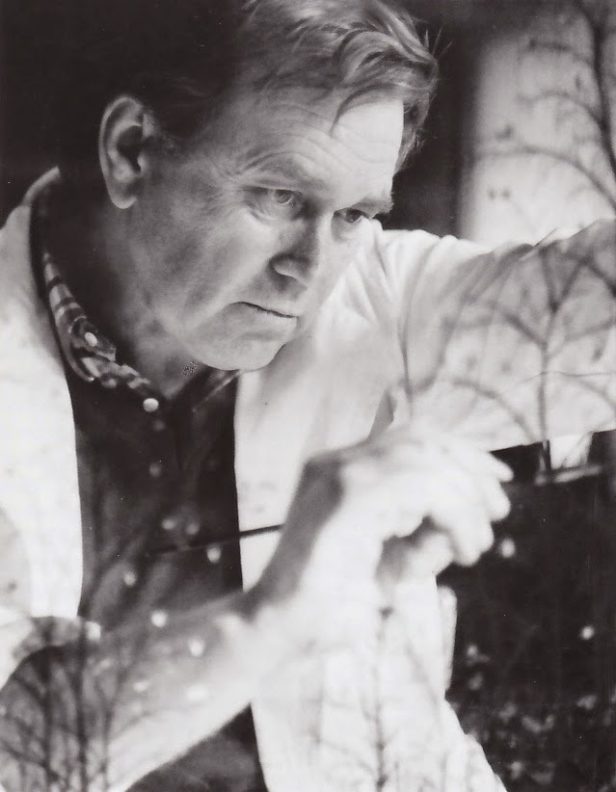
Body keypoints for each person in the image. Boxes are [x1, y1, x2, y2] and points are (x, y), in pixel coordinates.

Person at [0, 1, 615, 790]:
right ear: (131, 151)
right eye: (279, 196)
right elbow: (18, 759)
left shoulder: (379, 302)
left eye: (353, 214)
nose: (310, 270)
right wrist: (282, 610)